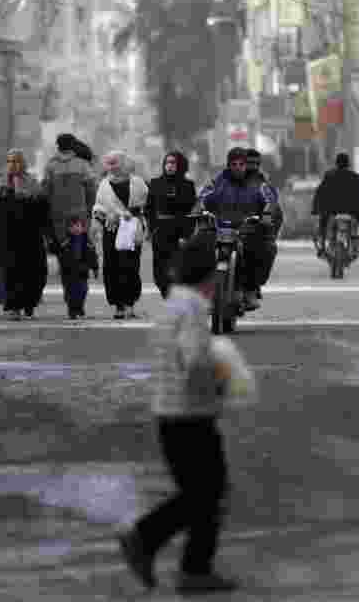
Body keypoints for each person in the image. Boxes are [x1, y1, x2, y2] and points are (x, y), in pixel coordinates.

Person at [118, 233, 237, 595]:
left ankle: (182, 561)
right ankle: (156, 545)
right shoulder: (194, 310)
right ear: (207, 277)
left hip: (170, 414)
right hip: (190, 416)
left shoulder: (172, 304)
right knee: (207, 491)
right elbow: (195, 361)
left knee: (202, 492)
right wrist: (220, 383)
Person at [0, 149, 50, 320]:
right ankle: (14, 307)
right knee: (11, 273)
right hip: (6, 237)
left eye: (17, 161)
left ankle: (29, 302)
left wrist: (47, 233)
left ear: (23, 163)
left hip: (31, 237)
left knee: (36, 273)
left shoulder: (33, 185)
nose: (13, 165)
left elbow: (44, 210)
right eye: (10, 161)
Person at [199, 148, 270, 311]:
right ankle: (204, 292)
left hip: (247, 229)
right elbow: (203, 196)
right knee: (198, 247)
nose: (238, 167)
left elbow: (269, 200)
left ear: (246, 166)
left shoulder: (257, 183)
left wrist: (266, 213)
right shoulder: (218, 181)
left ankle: (250, 290)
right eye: (234, 164)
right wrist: (199, 209)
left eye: (241, 164)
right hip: (220, 228)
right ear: (228, 165)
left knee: (259, 249)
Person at [93, 151, 148, 320]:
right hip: (112, 230)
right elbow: (98, 208)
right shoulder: (103, 185)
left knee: (131, 266)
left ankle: (130, 303)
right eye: (109, 163)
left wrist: (134, 215)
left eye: (115, 162)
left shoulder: (138, 183)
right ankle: (118, 305)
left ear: (124, 163)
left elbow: (147, 205)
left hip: (131, 229)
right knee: (112, 267)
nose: (112, 166)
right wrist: (106, 217)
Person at [145, 151, 197, 297]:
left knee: (177, 266)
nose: (170, 166)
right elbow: (149, 208)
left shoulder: (188, 185)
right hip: (160, 230)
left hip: (180, 232)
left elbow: (191, 212)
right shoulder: (155, 183)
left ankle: (175, 295)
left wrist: (187, 234)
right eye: (167, 162)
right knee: (160, 269)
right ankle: (166, 292)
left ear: (180, 165)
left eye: (173, 162)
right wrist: (151, 228)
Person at [44, 133, 98, 249]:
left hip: (57, 214)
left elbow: (45, 192)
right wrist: (90, 209)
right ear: (73, 145)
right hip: (79, 213)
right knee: (78, 247)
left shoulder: (51, 165)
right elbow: (91, 190)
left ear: (58, 146)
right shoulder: (82, 164)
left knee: (62, 248)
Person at [311, 151, 359, 260]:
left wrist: (316, 208)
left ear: (336, 163)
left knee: (322, 225)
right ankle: (354, 248)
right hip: (350, 211)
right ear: (348, 163)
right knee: (354, 229)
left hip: (331, 211)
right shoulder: (355, 177)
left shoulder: (329, 175)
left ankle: (322, 246)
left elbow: (320, 192)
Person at [244, 148, 284, 297]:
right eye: (248, 163)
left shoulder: (264, 186)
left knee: (267, 248)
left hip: (253, 231)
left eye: (255, 163)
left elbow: (274, 208)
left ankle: (253, 286)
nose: (251, 166)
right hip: (227, 230)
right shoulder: (226, 181)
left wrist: (268, 223)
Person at [60, 215, 99, 319]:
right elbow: (61, 255)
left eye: (78, 226)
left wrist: (95, 268)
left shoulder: (87, 241)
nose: (76, 228)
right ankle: (72, 310)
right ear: (69, 228)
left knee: (83, 290)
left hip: (82, 271)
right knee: (70, 292)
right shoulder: (65, 242)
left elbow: (92, 255)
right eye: (73, 226)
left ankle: (80, 308)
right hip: (69, 273)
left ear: (82, 227)